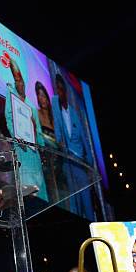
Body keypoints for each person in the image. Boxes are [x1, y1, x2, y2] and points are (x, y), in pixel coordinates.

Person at [4, 59, 49, 202]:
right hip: (21, 149)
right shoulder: (11, 97)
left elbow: (39, 131)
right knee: (25, 192)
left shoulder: (31, 105)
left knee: (39, 193)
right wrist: (16, 136)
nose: (20, 84)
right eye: (17, 81)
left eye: (21, 81)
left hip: (34, 153)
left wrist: (41, 148)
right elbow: (9, 119)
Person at [51, 73, 94, 218]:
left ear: (66, 91)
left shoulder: (74, 113)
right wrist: (59, 141)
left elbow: (84, 139)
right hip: (67, 162)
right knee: (73, 204)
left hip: (80, 163)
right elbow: (57, 131)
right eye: (57, 90)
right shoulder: (56, 107)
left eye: (61, 89)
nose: (59, 92)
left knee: (86, 201)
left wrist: (90, 164)